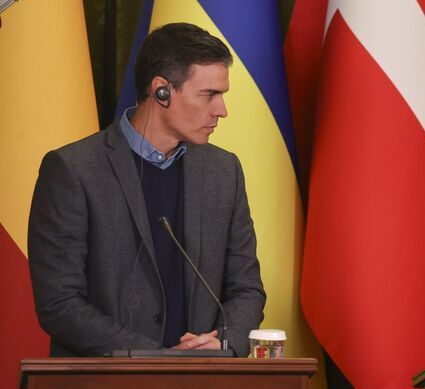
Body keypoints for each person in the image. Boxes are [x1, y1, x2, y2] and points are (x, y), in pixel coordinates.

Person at [28, 23, 265, 357]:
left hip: (204, 380)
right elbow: (60, 303)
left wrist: (223, 343)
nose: (222, 110)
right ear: (161, 91)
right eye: (209, 95)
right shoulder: (73, 170)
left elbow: (246, 288)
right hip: (103, 384)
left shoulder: (224, 171)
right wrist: (158, 359)